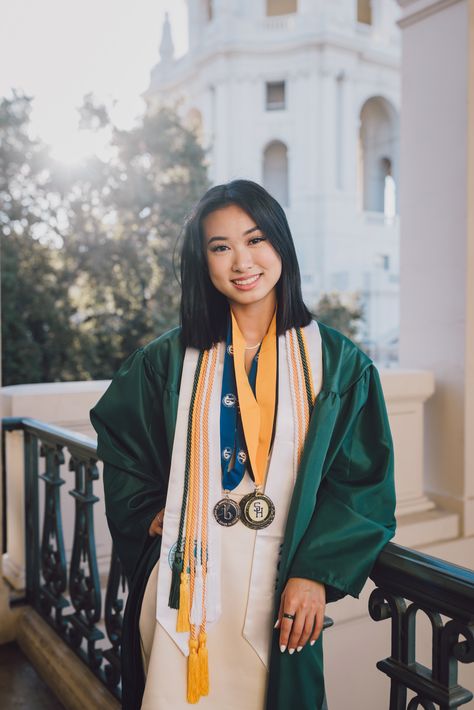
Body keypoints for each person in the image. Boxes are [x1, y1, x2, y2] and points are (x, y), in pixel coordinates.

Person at [90, 179, 396, 710]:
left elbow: (360, 483)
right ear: (202, 261)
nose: (241, 261)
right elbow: (121, 444)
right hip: (186, 591)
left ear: (281, 244)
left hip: (279, 590)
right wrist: (146, 510)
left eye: (255, 240)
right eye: (220, 247)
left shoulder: (338, 364)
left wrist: (315, 574)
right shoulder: (166, 361)